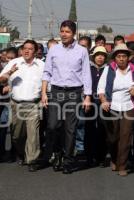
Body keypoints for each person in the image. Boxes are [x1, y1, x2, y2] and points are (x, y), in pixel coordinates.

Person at [41, 20, 92, 174]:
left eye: (67, 32)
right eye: (62, 31)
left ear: (74, 34)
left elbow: (86, 75)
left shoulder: (82, 51)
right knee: (52, 125)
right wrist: (44, 92)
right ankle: (57, 154)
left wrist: (87, 96)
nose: (64, 34)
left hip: (74, 93)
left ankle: (68, 160)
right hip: (56, 91)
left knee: (70, 128)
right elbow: (47, 72)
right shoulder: (54, 50)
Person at [0, 40, 45, 172]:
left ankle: (32, 160)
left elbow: (47, 83)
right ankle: (21, 152)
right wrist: (8, 74)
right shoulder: (14, 63)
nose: (27, 51)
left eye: (30, 49)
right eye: (25, 48)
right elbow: (1, 79)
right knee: (17, 135)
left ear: (35, 51)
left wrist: (45, 97)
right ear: (21, 50)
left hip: (34, 104)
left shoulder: (42, 65)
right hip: (16, 104)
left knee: (33, 133)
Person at [98, 43, 134, 176]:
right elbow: (101, 88)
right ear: (115, 58)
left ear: (128, 57)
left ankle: (122, 165)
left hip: (129, 105)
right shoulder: (109, 69)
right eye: (119, 56)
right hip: (113, 105)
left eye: (124, 56)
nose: (121, 59)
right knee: (112, 137)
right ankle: (114, 158)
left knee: (126, 135)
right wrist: (104, 101)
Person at [85, 46, 108, 167]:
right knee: (89, 128)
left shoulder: (108, 69)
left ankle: (101, 156)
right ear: (93, 56)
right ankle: (89, 156)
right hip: (89, 100)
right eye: (98, 55)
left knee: (102, 128)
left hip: (103, 102)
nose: (100, 57)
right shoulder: (87, 68)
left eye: (103, 55)